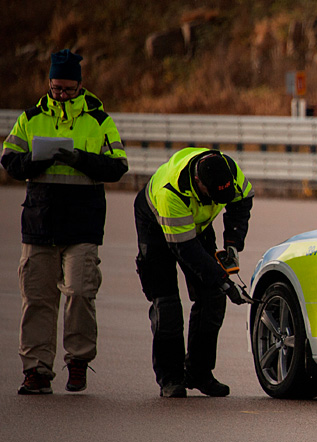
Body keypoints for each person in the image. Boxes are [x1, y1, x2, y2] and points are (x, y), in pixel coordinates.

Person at [1, 49, 129, 395]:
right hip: (39, 224)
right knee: (37, 300)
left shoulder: (99, 120)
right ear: (49, 83)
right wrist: (37, 161)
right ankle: (36, 370)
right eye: (56, 88)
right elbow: (10, 161)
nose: (61, 94)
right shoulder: (30, 118)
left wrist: (79, 159)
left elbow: (118, 166)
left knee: (81, 293)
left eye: (68, 89)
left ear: (80, 86)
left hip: (83, 224)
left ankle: (78, 361)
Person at [133, 147, 254, 398]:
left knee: (212, 298)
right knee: (167, 305)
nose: (219, 201)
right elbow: (187, 251)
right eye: (214, 196)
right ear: (198, 182)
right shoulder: (170, 193)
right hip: (157, 228)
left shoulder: (229, 170)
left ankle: (199, 373)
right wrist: (224, 281)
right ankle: (171, 378)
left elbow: (242, 203)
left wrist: (232, 244)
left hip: (197, 226)